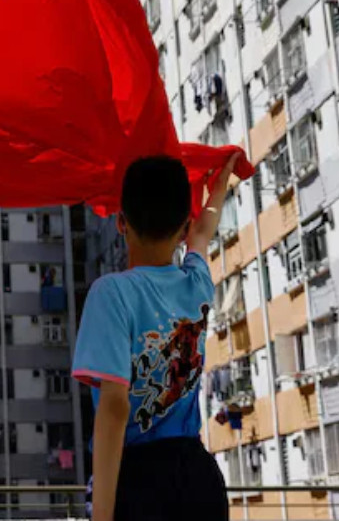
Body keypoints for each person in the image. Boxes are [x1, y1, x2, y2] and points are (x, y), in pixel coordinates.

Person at [73, 154, 238, 521]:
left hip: (138, 479)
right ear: (182, 228)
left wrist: (101, 515)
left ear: (120, 222)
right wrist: (220, 184)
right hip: (199, 479)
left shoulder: (111, 293)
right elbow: (203, 231)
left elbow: (115, 407)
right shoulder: (196, 282)